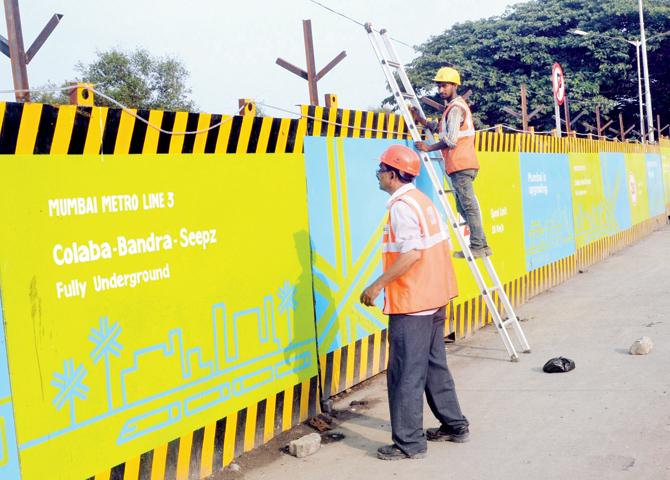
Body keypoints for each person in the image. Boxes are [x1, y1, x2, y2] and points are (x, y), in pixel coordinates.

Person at [359, 144, 469, 461]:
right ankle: (454, 425)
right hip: (434, 297)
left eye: (380, 170)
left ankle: (409, 442)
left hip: (413, 302)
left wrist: (376, 285)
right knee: (434, 365)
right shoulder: (422, 201)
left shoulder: (401, 208)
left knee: (406, 372)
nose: (378, 175)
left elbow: (411, 254)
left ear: (393, 175)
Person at [413, 66, 492, 258]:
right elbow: (441, 129)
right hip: (461, 165)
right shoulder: (451, 109)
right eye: (439, 86)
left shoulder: (456, 109)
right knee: (462, 206)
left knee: (468, 206)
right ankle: (483, 245)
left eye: (445, 86)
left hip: (462, 165)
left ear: (455, 85)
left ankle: (477, 247)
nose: (441, 90)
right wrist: (422, 121)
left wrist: (428, 148)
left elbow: (450, 140)